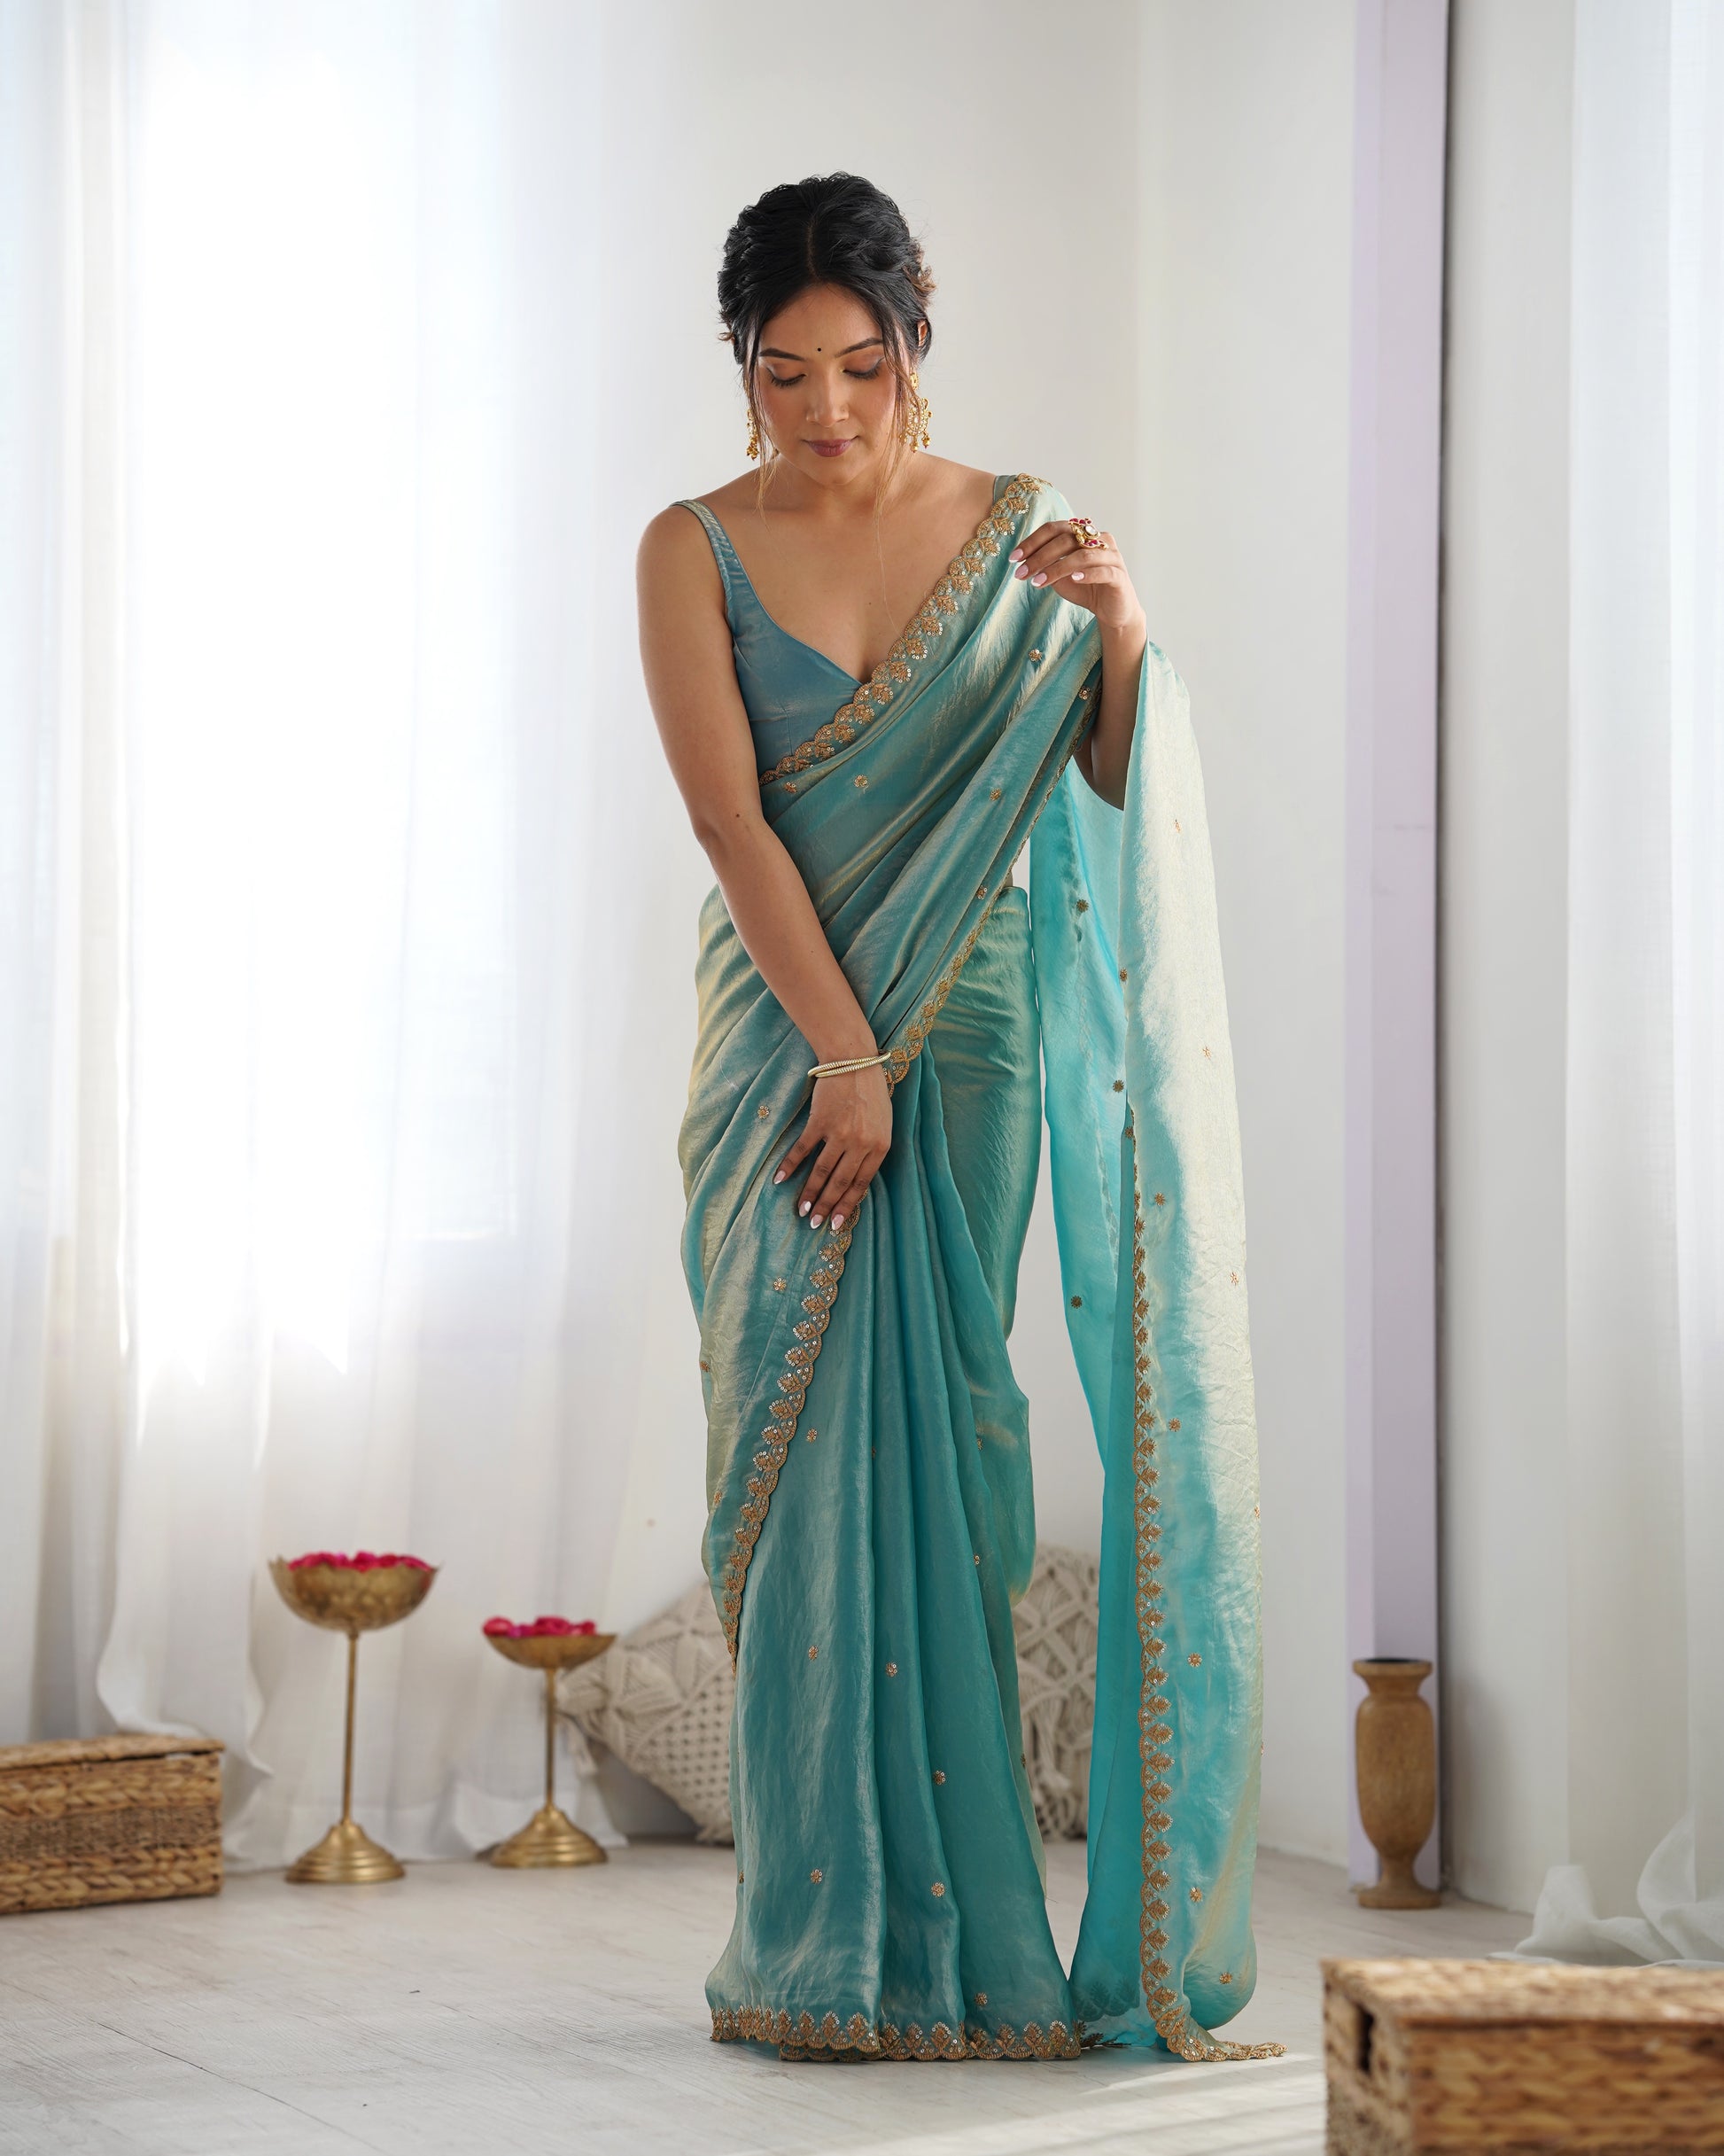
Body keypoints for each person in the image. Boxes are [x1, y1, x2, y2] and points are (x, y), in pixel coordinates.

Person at [636, 173, 1281, 2066]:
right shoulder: (691, 544)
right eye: (782, 374)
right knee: (794, 1458)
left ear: (917, 332)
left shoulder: (1021, 532)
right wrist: (839, 1052)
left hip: (970, 1036)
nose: (824, 410)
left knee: (954, 1438)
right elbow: (728, 818)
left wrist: (1126, 629)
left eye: (859, 364)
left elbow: (1102, 773)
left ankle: (965, 1939)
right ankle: (813, 1939)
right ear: (740, 367)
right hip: (780, 1046)